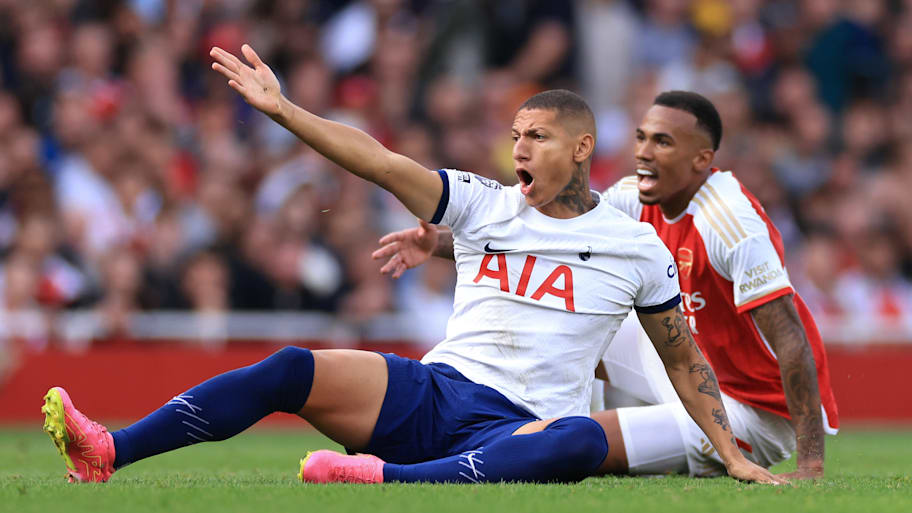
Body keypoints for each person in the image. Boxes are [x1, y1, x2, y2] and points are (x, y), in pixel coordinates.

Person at [42, 46, 781, 485]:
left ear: (582, 148)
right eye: (516, 134)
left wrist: (733, 457)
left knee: (583, 439)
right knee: (293, 366)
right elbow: (380, 160)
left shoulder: (635, 247)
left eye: (540, 136)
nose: (519, 149)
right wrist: (285, 111)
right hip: (436, 388)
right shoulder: (486, 204)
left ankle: (385, 479)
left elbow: (684, 362)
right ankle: (111, 449)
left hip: (520, 429)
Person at [375, 91, 838, 480]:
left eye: (663, 142)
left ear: (702, 159)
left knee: (592, 447)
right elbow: (543, 240)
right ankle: (520, 428)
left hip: (751, 409)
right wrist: (437, 243)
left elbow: (791, 339)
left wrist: (811, 462)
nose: (644, 152)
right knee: (575, 315)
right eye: (641, 137)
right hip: (690, 360)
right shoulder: (633, 196)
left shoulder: (732, 224)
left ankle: (452, 461)